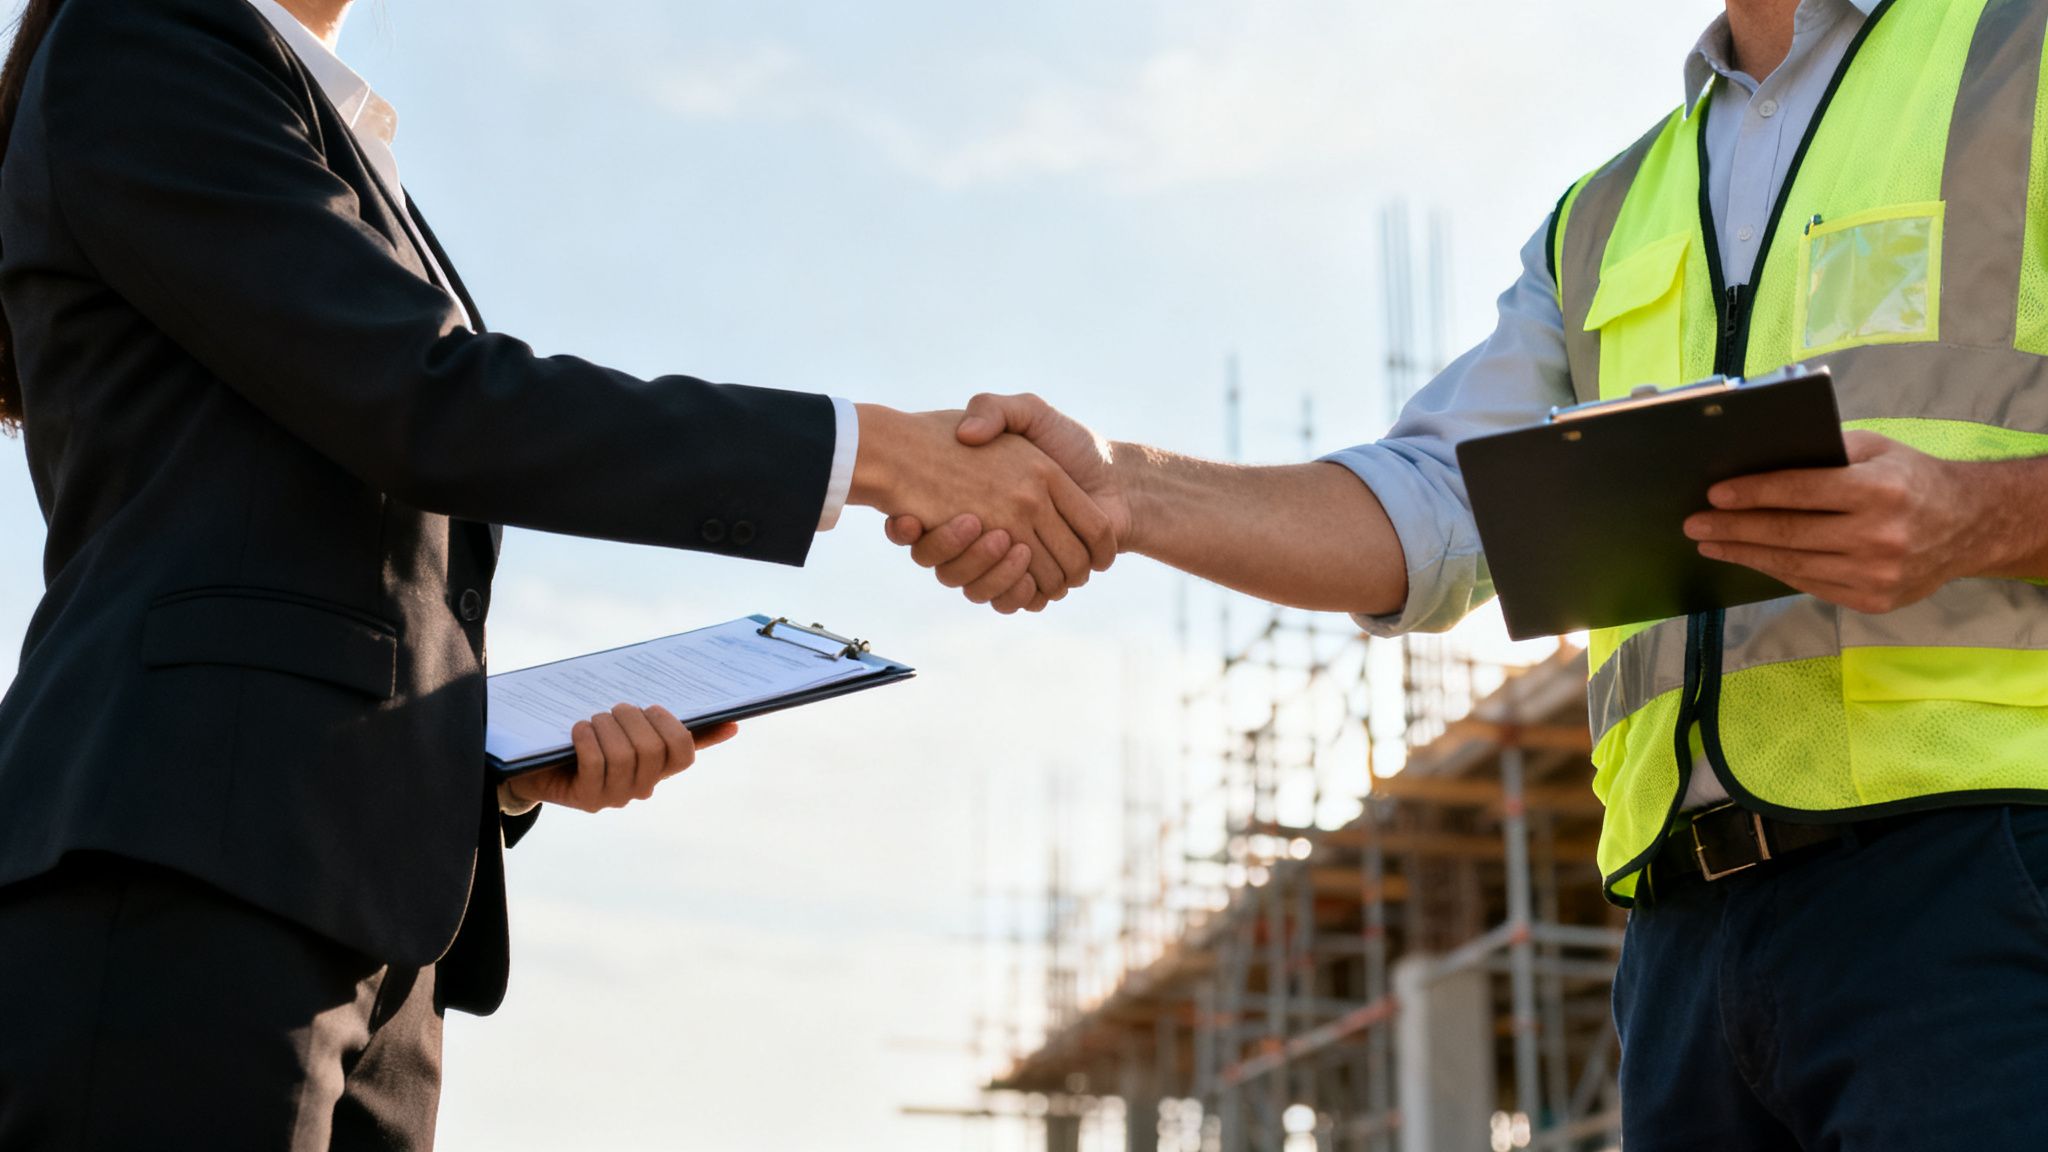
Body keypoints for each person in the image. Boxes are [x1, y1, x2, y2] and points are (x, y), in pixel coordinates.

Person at [893, 0, 2048, 1146]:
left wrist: (1982, 513)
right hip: (1682, 944)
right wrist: (1123, 487)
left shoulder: (2020, 57)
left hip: (1980, 879)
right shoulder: (1601, 216)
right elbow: (1438, 504)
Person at [0, 0, 1114, 1146]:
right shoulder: (142, 36)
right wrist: (873, 454)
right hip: (182, 873)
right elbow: (427, 402)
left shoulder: (306, 114)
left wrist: (491, 771)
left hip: (356, 913)